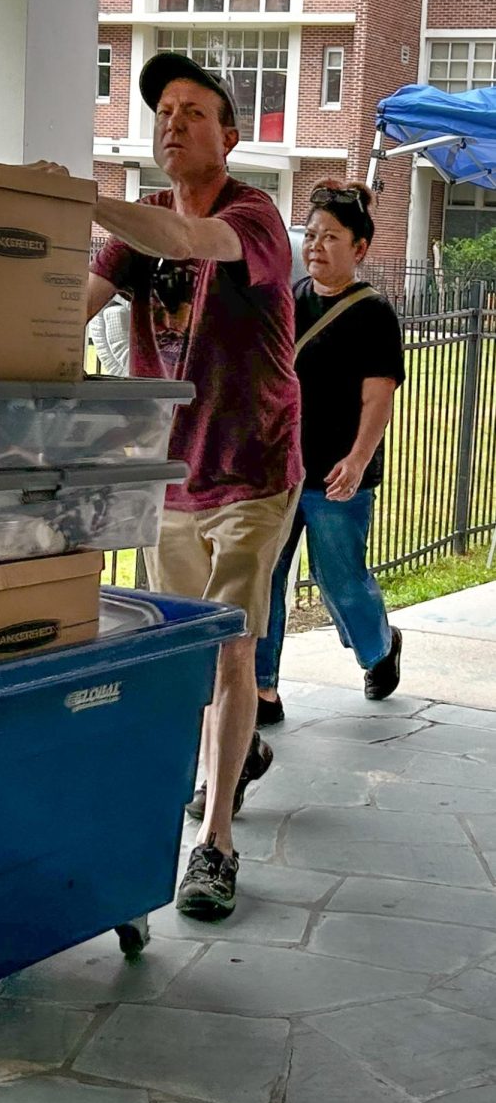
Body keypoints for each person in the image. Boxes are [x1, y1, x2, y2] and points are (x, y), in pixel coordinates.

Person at [86, 52, 303, 921]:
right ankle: (228, 754)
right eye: (162, 111)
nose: (171, 122)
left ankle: (215, 845)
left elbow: (182, 239)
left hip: (253, 470)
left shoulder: (255, 218)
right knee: (182, 661)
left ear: (230, 135)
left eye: (192, 111)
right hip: (170, 480)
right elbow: (71, 305)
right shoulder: (133, 241)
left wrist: (86, 199)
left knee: (231, 650)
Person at [252, 181, 405, 719]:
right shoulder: (289, 301)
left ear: (360, 247)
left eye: (331, 236)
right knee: (266, 576)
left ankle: (379, 647)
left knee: (338, 578)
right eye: (311, 235)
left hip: (340, 473)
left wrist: (360, 459)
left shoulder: (374, 315)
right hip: (283, 471)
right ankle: (263, 689)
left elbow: (378, 396)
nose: (315, 245)